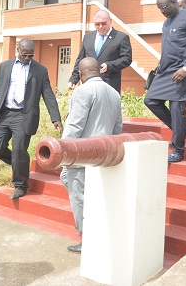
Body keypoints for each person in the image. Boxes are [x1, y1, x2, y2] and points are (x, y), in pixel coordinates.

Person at [60, 57, 122, 253]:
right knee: (94, 195)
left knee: (78, 195)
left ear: (81, 73)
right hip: (104, 154)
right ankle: (99, 231)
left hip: (82, 155)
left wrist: (63, 153)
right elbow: (118, 127)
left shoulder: (82, 91)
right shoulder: (114, 93)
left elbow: (74, 126)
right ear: (99, 71)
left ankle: (87, 237)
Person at [0, 39, 63, 199]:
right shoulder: (5, 66)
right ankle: (20, 164)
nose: (28, 58)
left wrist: (55, 117)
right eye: (25, 55)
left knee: (19, 149)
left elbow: (48, 94)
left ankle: (21, 185)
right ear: (17, 50)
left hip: (24, 116)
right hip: (4, 113)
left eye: (31, 55)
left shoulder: (40, 70)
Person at [144, 0, 186, 163]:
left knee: (177, 108)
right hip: (166, 70)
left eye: (164, 7)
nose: (162, 11)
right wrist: (160, 65)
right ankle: (181, 128)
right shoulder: (167, 22)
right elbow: (168, 47)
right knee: (150, 100)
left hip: (184, 70)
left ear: (174, 2)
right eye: (159, 9)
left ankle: (178, 149)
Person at [68, 10, 132, 94]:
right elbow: (81, 60)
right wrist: (74, 79)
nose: (100, 26)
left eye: (104, 23)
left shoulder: (121, 37)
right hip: (89, 84)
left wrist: (110, 66)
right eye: (97, 24)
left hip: (109, 84)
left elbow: (127, 58)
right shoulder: (88, 37)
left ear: (110, 21)